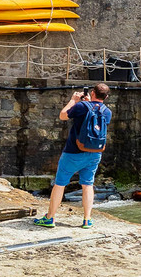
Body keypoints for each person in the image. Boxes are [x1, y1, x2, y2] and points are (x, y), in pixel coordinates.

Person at [37, 81, 112, 229]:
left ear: (92, 93)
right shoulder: (107, 111)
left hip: (73, 152)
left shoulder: (80, 106)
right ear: (106, 96)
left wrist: (73, 100)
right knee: (87, 184)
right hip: (94, 153)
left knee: (60, 183)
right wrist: (88, 104)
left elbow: (63, 115)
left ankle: (50, 218)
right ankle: (87, 219)